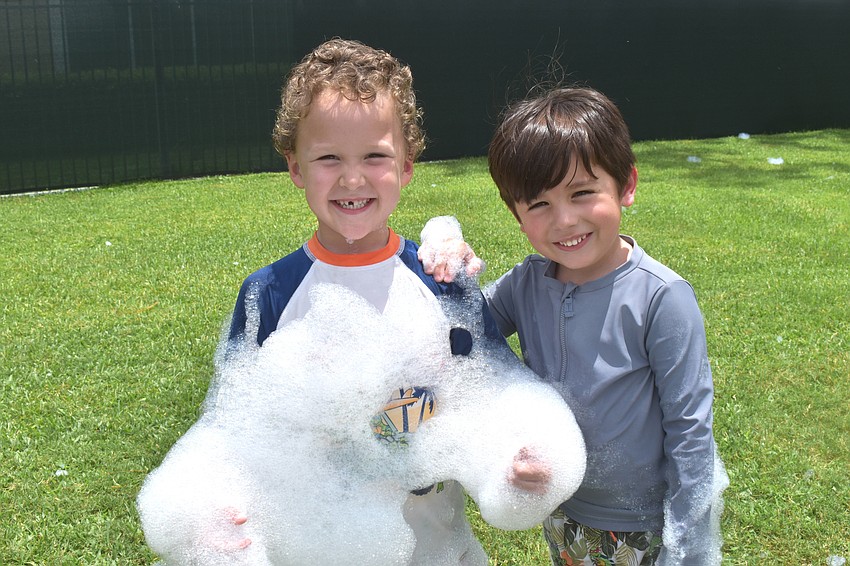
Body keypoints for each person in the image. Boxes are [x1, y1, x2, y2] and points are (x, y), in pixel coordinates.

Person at [224, 38, 546, 565]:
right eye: (329, 157)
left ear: (407, 164)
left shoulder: (442, 282)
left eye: (374, 156)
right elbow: (237, 428)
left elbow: (493, 388)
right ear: (296, 167)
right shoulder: (270, 294)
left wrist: (519, 453)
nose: (352, 178)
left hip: (437, 549)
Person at [421, 86, 726, 565]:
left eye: (582, 193)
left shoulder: (660, 298)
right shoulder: (526, 283)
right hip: (561, 509)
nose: (564, 220)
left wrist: (689, 552)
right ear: (516, 214)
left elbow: (691, 435)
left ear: (626, 185)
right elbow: (464, 340)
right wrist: (450, 258)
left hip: (641, 525)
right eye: (538, 204)